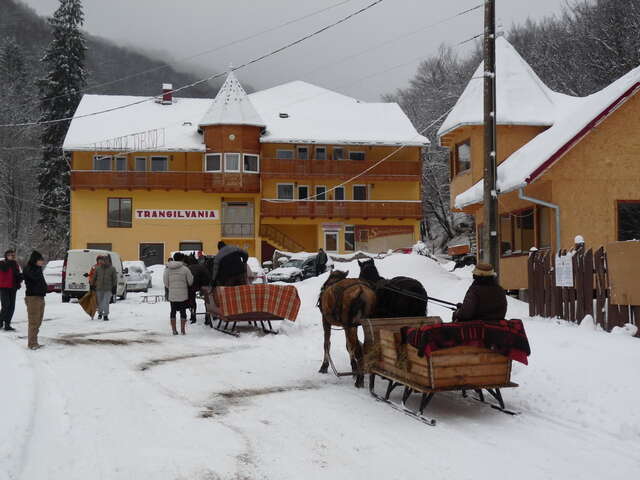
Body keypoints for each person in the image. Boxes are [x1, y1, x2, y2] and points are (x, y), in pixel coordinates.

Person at [22, 251, 48, 349]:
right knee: (33, 321)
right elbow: (34, 278)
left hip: (40, 297)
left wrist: (45, 288)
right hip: (33, 298)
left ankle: (34, 341)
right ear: (35, 260)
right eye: (40, 260)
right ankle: (32, 343)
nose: (42, 262)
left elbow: (41, 281)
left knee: (38, 321)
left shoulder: (37, 268)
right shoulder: (29, 269)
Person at [163, 252, 194, 335]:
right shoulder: (185, 269)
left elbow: (166, 283)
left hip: (172, 294)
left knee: (173, 311)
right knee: (183, 311)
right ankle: (183, 330)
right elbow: (190, 281)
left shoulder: (167, 269)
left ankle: (174, 330)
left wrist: (171, 287)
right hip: (183, 295)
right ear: (182, 259)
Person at [185, 255, 212, 324]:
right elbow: (208, 276)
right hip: (204, 284)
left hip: (193, 285)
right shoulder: (202, 267)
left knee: (192, 300)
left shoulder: (188, 268)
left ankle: (193, 316)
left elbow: (187, 279)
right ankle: (207, 316)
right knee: (207, 300)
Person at [0, 249, 23, 331]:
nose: (11, 256)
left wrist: (21, 277)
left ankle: (7, 324)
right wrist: (10, 262)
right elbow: (4, 269)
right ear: (6, 255)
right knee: (6, 305)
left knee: (11, 307)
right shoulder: (2, 263)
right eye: (9, 255)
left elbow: (17, 274)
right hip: (4, 287)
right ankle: (0, 321)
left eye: (13, 255)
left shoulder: (15, 264)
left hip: (13, 287)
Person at [90, 255, 118, 321]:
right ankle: (100, 313)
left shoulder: (112, 269)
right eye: (102, 260)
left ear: (108, 261)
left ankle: (105, 315)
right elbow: (94, 277)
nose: (103, 262)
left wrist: (114, 287)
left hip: (108, 289)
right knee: (100, 302)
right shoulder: (98, 268)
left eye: (105, 260)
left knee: (106, 302)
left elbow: (115, 279)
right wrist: (92, 285)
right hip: (99, 288)